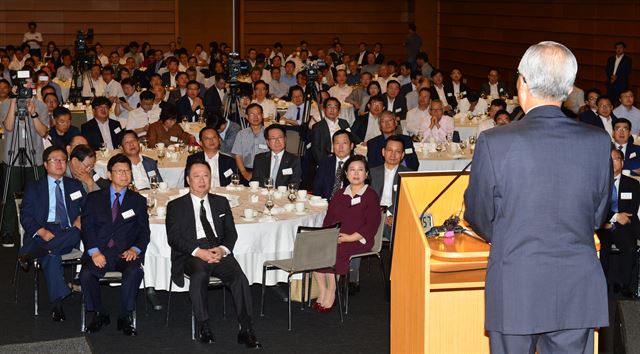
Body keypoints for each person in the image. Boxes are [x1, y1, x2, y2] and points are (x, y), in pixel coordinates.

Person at [464, 41, 610, 353]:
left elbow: (478, 215)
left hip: (517, 282)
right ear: (569, 87)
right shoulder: (598, 142)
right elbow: (598, 216)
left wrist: (508, 236)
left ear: (523, 82)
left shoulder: (494, 142)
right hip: (576, 286)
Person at [166, 160, 262, 348]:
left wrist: (223, 249)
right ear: (188, 180)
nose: (202, 180)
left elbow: (231, 233)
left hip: (218, 249)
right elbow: (174, 238)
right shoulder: (176, 205)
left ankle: (246, 329)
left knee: (239, 278)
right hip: (191, 252)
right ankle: (203, 325)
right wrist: (198, 252)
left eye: (206, 176)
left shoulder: (221, 202)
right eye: (197, 176)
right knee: (199, 275)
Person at [80, 153, 150, 336]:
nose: (124, 175)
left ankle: (125, 315)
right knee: (86, 275)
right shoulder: (94, 198)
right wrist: (94, 252)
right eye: (119, 171)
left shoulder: (138, 201)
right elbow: (87, 228)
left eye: (127, 171)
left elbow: (144, 232)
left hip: (124, 253)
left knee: (134, 271)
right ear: (109, 175)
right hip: (99, 251)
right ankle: (99, 313)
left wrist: (135, 249)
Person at [18, 146, 85, 322]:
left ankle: (32, 253)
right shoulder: (34, 187)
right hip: (44, 230)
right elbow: (25, 215)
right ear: (45, 165)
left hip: (68, 231)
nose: (59, 163)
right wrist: (41, 231)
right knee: (52, 256)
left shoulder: (74, 185)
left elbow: (88, 209)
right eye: (54, 160)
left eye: (63, 160)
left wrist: (80, 218)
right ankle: (57, 302)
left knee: (74, 232)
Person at [313, 155, 381, 312]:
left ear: (366, 174)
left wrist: (350, 237)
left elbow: (372, 224)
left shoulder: (370, 195)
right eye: (352, 170)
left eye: (360, 170)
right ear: (345, 173)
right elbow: (329, 219)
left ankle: (331, 292)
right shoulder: (339, 194)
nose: (356, 173)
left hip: (358, 239)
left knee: (336, 251)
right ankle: (322, 290)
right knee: (315, 249)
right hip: (336, 237)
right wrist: (329, 235)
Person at [1, 88, 50, 247]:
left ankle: (37, 229)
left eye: (28, 85)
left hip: (34, 157)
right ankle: (7, 231)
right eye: (21, 85)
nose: (24, 89)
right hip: (12, 155)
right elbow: (8, 127)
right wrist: (14, 101)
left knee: (36, 196)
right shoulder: (7, 103)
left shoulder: (40, 105)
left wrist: (33, 113)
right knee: (10, 195)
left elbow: (43, 132)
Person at [596, 148, 640, 298]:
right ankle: (603, 286)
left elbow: (631, 210)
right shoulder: (600, 184)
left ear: (622, 162)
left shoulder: (633, 184)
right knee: (604, 246)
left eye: (615, 159)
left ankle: (626, 286)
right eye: (609, 159)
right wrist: (614, 217)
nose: (611, 162)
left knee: (629, 245)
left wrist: (617, 219)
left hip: (625, 225)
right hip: (604, 225)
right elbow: (597, 207)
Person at [231, 103, 269, 184]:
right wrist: (244, 172)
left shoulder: (269, 133)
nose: (255, 117)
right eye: (252, 114)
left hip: (266, 171)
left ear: (262, 115)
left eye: (258, 114)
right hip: (245, 171)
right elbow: (238, 155)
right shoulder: (241, 134)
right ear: (247, 117)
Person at [313, 129, 354, 200]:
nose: (340, 147)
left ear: (351, 146)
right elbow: (317, 188)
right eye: (337, 143)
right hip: (325, 204)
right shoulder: (325, 163)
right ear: (333, 146)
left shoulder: (357, 165)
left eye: (344, 143)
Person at [310, 97, 353, 164]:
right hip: (328, 158)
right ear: (324, 109)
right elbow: (315, 149)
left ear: (339, 111)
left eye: (335, 107)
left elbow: (352, 138)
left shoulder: (343, 123)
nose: (332, 110)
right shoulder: (318, 127)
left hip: (345, 156)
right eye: (329, 106)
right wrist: (323, 163)